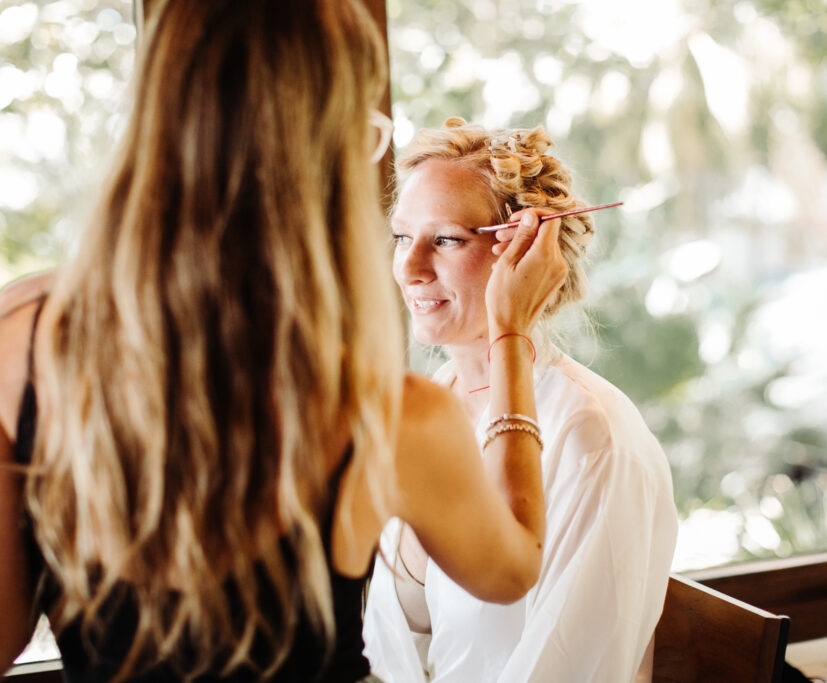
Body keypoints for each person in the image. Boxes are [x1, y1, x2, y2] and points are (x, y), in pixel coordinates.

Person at [0, 1, 568, 681]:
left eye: (446, 239)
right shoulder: (385, 414)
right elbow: (513, 566)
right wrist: (509, 333)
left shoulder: (21, 348)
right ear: (327, 149)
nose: (413, 263)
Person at [363, 118, 677, 683]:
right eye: (403, 237)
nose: (409, 269)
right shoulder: (432, 406)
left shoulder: (592, 440)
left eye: (447, 239)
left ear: (527, 248)